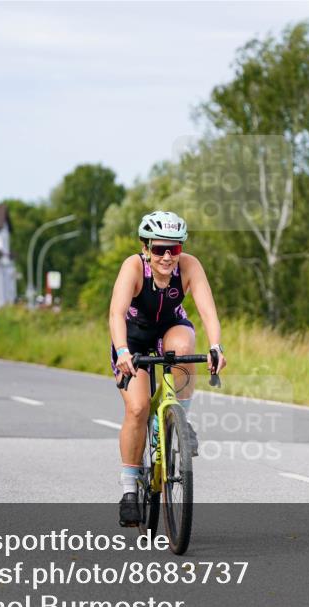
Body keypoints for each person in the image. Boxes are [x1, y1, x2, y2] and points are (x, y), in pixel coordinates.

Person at [108, 211, 226, 527]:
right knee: (137, 408)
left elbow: (208, 312)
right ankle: (129, 489)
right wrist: (122, 351)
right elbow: (116, 314)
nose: (167, 257)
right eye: (159, 249)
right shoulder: (134, 267)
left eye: (173, 249)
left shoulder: (189, 266)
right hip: (133, 337)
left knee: (185, 349)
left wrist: (216, 346)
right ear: (146, 247)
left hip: (170, 328)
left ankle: (180, 418)